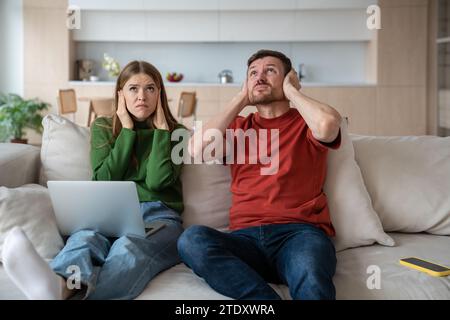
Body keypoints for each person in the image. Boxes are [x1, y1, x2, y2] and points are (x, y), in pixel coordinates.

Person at [2, 60, 186, 300]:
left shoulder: (177, 133)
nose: (142, 96)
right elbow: (103, 179)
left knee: (128, 249)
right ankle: (58, 287)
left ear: (159, 93)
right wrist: (127, 131)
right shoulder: (103, 126)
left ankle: (63, 294)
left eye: (150, 88)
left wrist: (162, 131)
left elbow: (157, 182)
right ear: (120, 94)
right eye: (133, 88)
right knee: (84, 240)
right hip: (109, 214)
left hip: (159, 217)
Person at [177, 49, 342, 300]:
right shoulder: (239, 128)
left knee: (310, 270)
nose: (259, 77)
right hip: (246, 239)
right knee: (191, 240)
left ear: (289, 79)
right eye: (253, 73)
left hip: (299, 235)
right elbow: (196, 149)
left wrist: (294, 93)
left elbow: (329, 126)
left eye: (270, 71)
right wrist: (241, 98)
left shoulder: (305, 123)